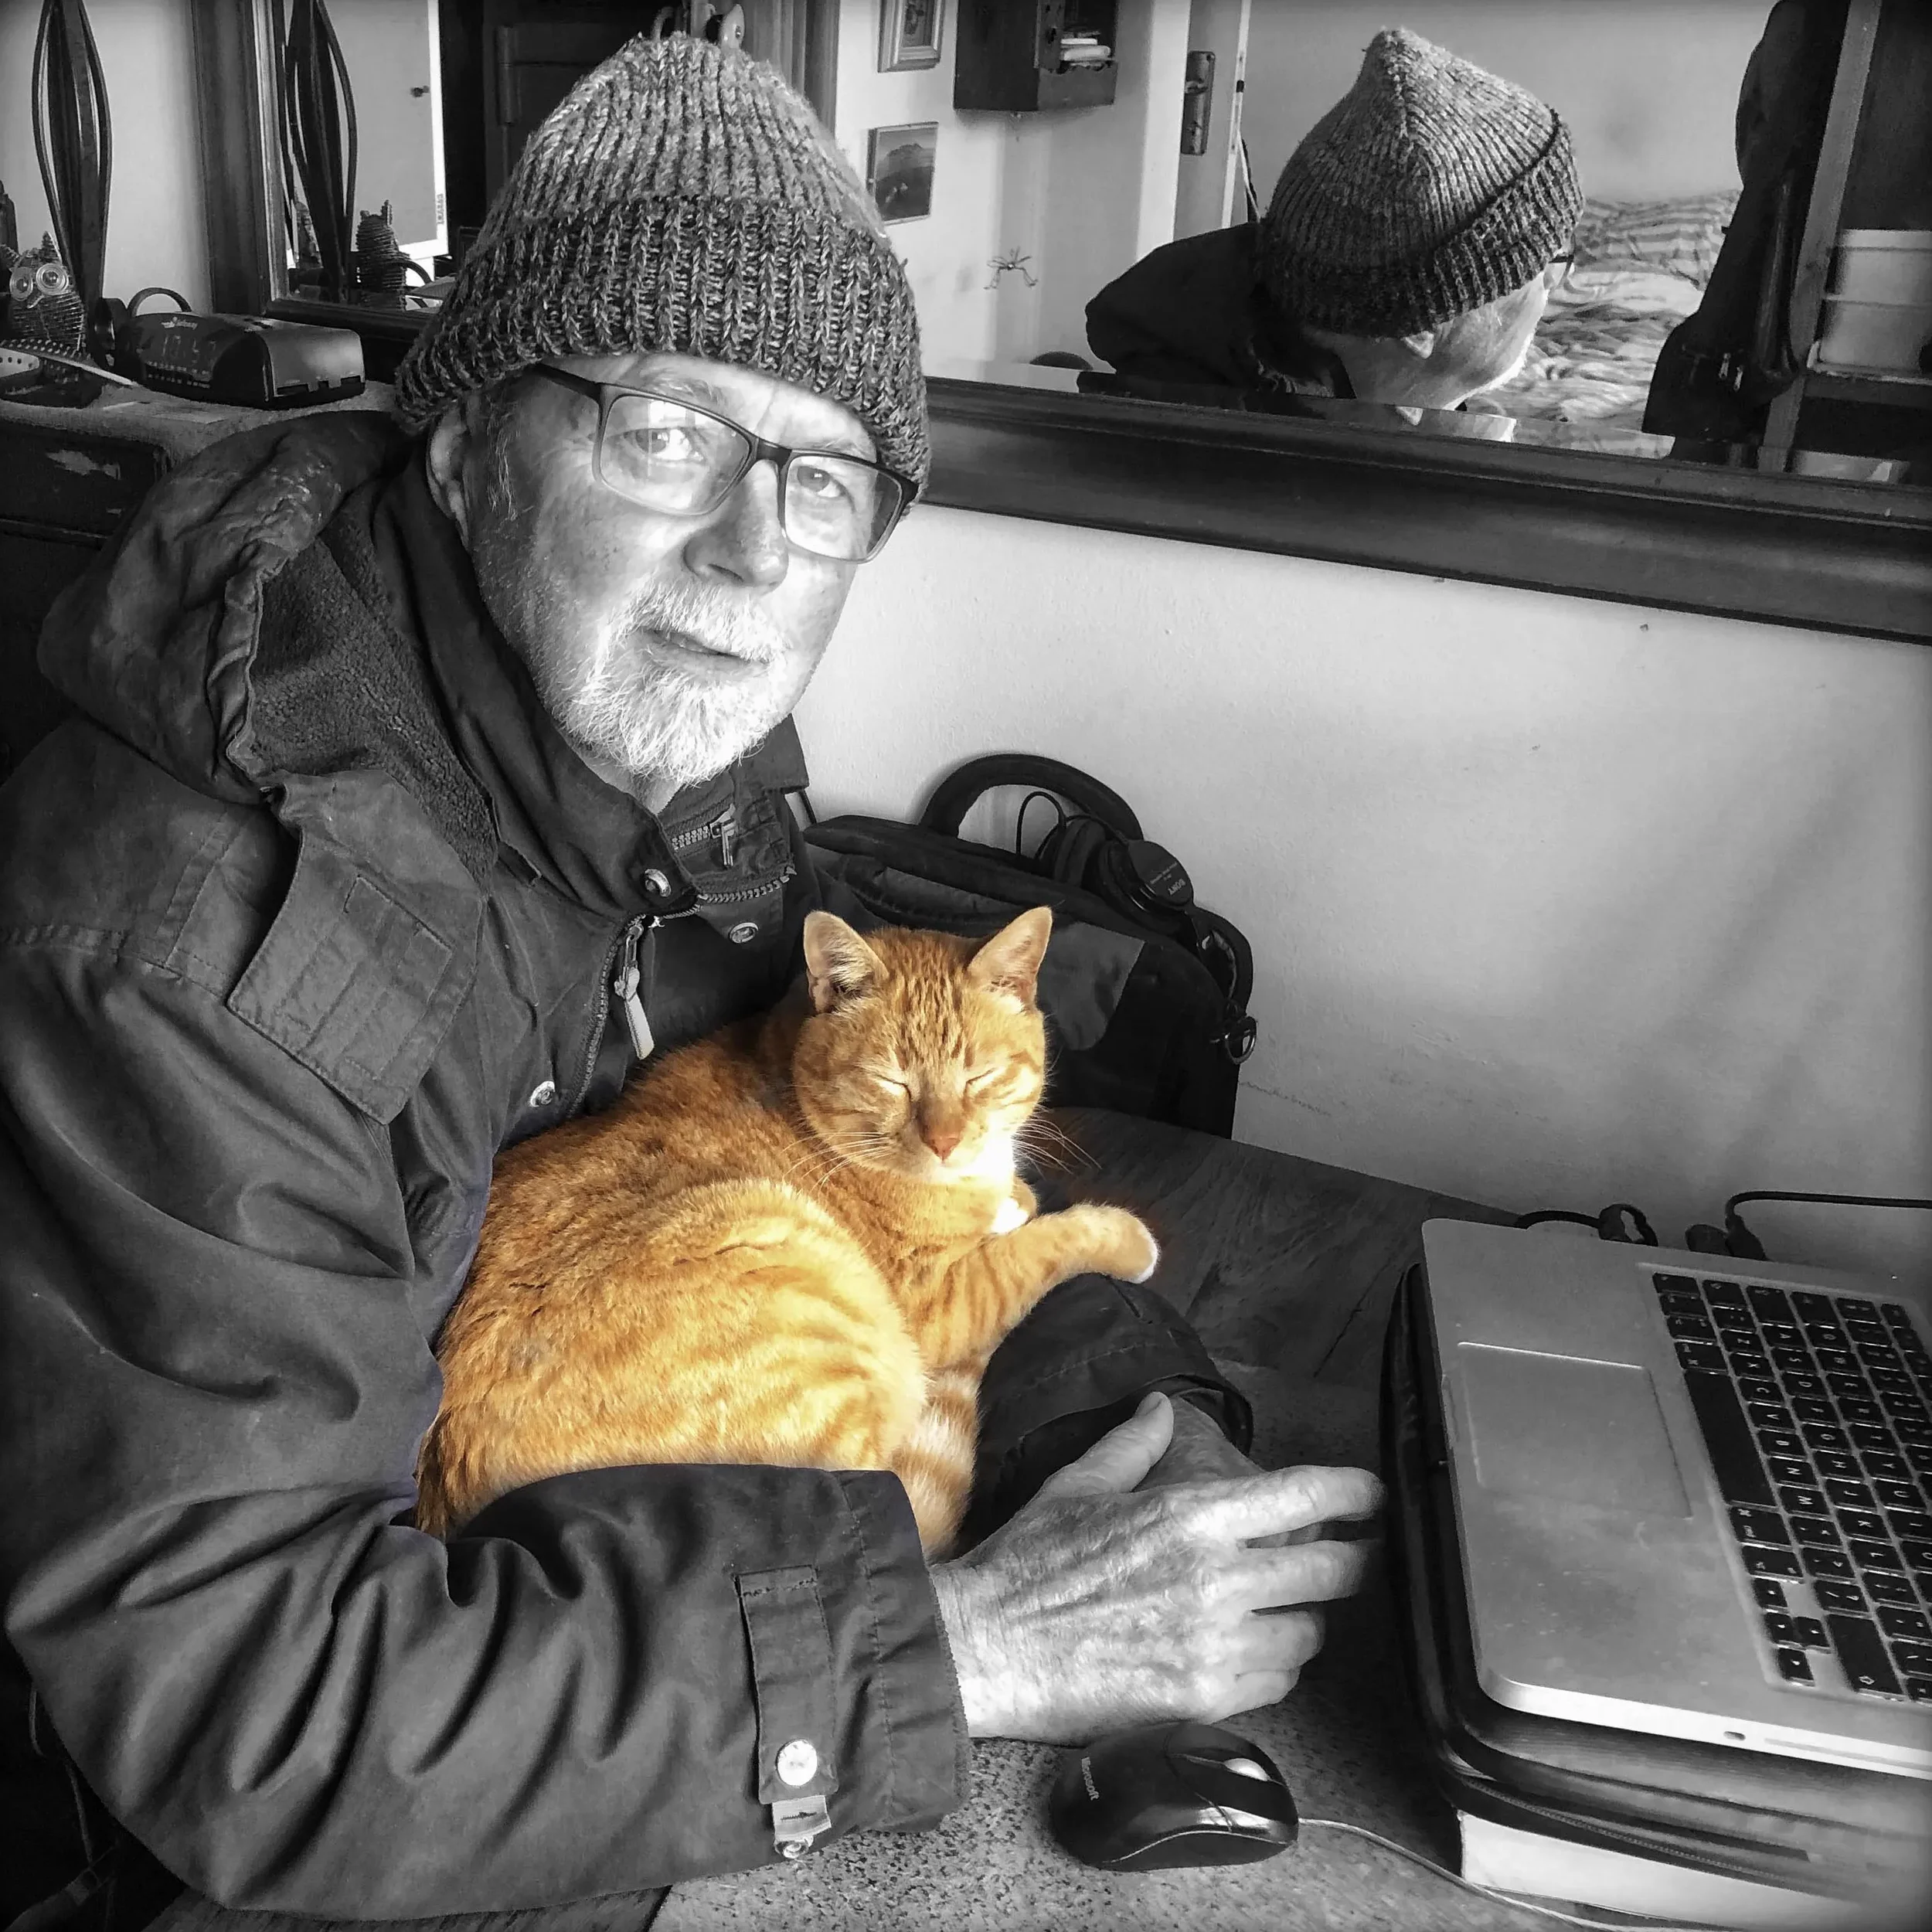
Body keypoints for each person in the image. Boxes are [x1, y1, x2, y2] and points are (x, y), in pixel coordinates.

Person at [0, 34, 1380, 1930]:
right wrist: (972, 1649)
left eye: (827, 482)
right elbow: (263, 1713)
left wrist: (1135, 1449)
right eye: (666, 431)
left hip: (609, 1593)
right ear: (471, 442)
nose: (751, 553)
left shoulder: (671, 742)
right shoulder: (196, 941)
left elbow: (872, 1163)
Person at [1085, 27, 1582, 412]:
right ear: (1422, 329)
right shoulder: (1258, 479)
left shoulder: (1325, 406)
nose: (1561, 283)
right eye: (1553, 263)